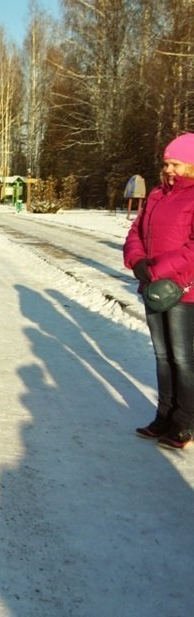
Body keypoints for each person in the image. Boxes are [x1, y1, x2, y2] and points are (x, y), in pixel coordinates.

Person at [123, 133, 194, 450]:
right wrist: (137, 260)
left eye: (176, 164)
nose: (169, 170)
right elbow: (135, 232)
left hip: (184, 291)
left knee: (183, 359)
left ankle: (184, 423)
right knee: (163, 357)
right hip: (152, 286)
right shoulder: (155, 196)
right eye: (166, 164)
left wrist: (157, 269)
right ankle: (163, 416)